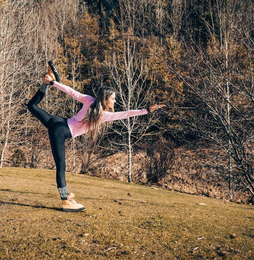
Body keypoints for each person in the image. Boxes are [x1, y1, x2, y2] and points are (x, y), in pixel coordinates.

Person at [27, 61, 165, 212]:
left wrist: (53, 83)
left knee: (32, 106)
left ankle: (46, 82)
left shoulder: (90, 101)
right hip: (60, 130)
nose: (115, 101)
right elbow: (126, 114)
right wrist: (146, 110)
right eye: (113, 98)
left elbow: (72, 92)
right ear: (105, 99)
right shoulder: (103, 115)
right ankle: (65, 200)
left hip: (58, 122)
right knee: (61, 167)